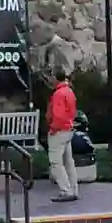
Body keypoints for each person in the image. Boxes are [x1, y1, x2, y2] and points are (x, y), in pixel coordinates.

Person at [46, 74, 79, 202]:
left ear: (56, 78)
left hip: (59, 131)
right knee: (68, 161)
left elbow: (58, 115)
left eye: (51, 77)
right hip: (68, 130)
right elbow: (72, 112)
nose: (50, 79)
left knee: (55, 162)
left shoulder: (58, 94)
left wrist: (53, 128)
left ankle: (66, 190)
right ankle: (74, 189)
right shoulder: (69, 91)